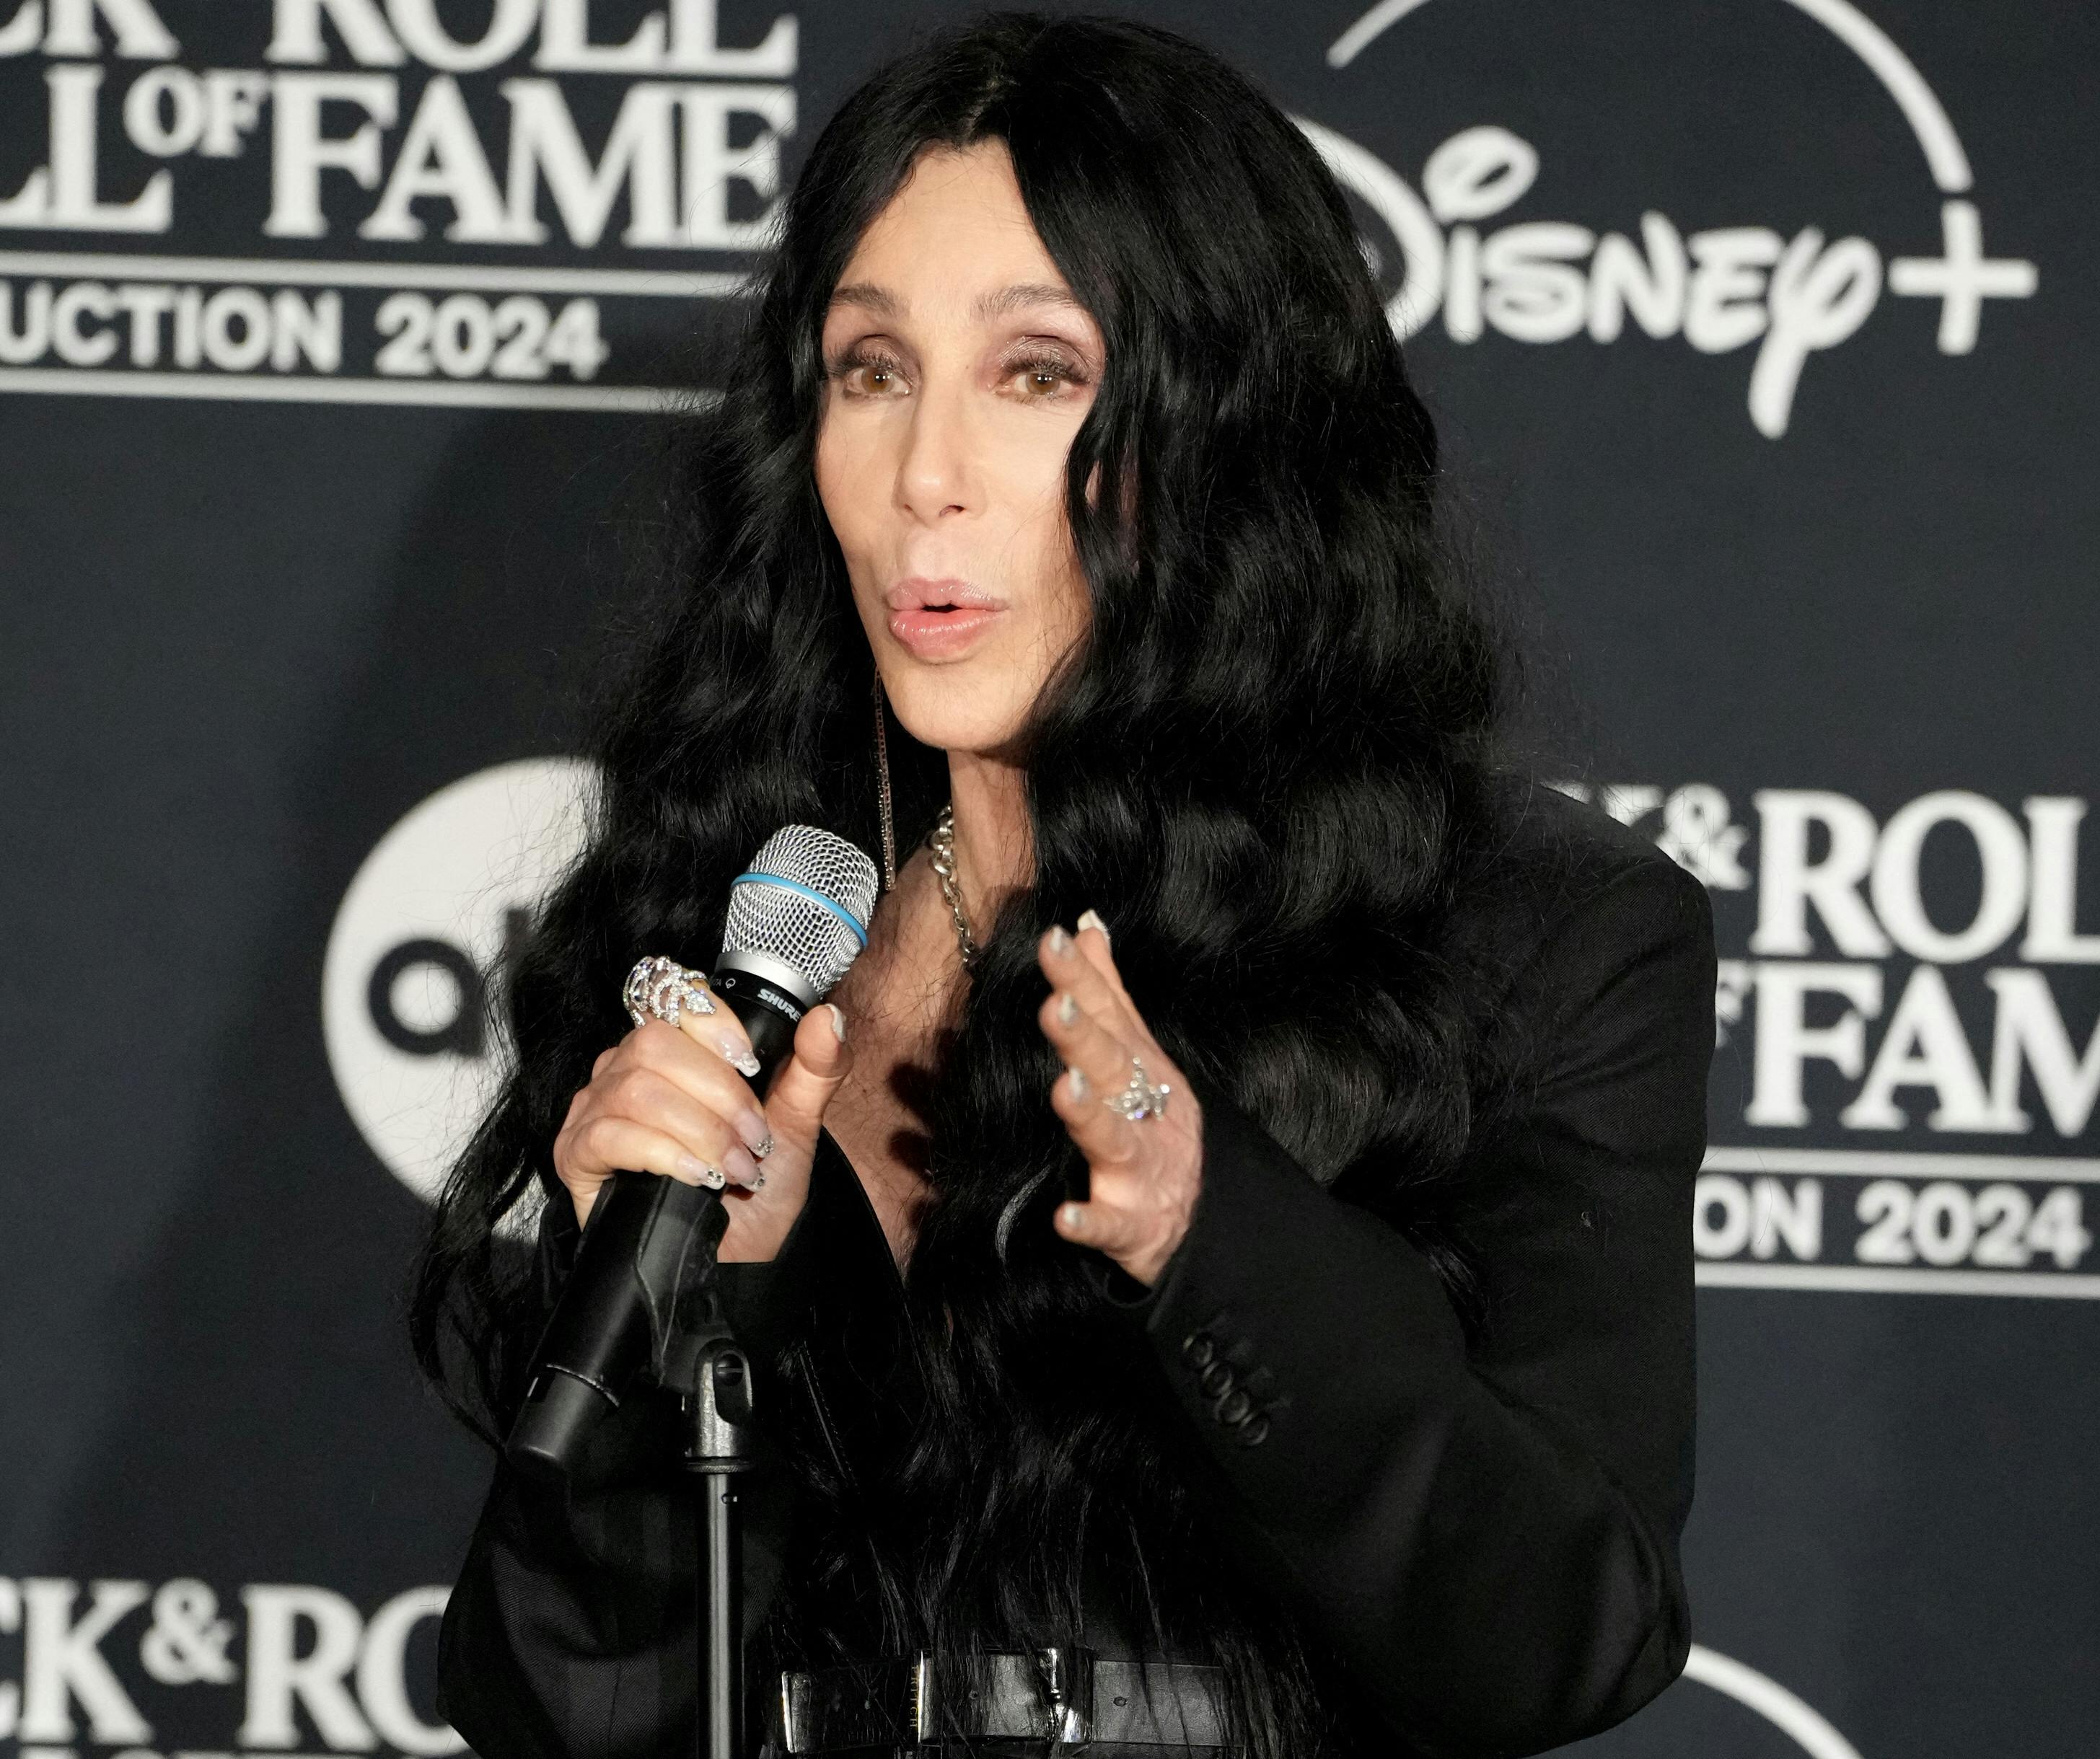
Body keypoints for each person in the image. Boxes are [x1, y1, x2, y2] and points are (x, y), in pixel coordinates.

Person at [410, 12, 1715, 1758]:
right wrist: (692, 1300)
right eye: (870, 369)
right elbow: (570, 1706)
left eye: (1036, 373)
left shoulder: (1521, 929)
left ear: (1226, 424)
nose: (922, 478)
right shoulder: (740, 925)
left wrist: (1204, 1222)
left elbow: (1561, 1634)